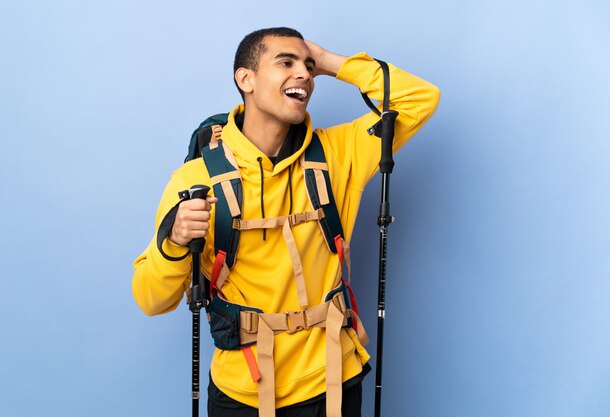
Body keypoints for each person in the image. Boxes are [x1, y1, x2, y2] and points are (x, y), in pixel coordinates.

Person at [133, 27, 439, 417]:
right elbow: (151, 300)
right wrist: (174, 240)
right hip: (242, 393)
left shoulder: (339, 152)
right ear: (246, 79)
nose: (304, 75)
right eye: (286, 63)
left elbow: (421, 99)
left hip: (335, 382)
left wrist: (329, 61)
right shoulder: (195, 180)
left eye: (308, 67)